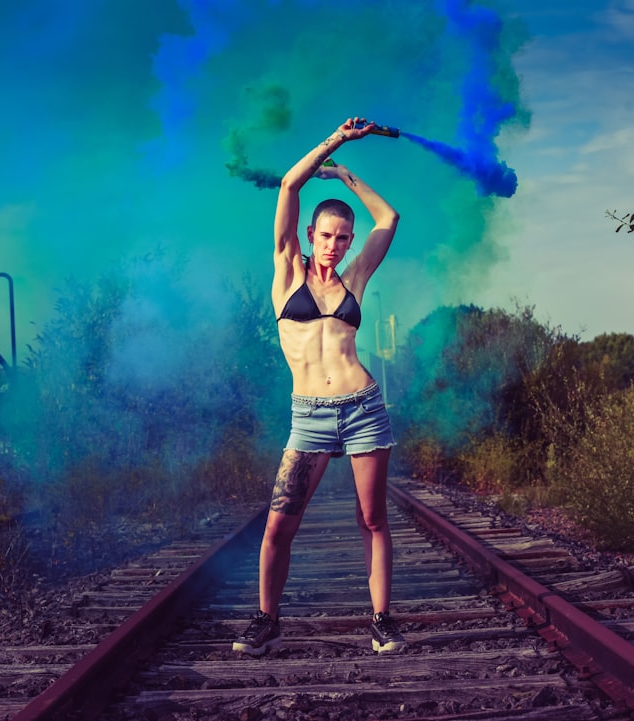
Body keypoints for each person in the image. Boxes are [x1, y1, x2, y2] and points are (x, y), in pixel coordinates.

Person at [232, 116, 405, 656]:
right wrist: (333, 144)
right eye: (327, 235)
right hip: (308, 414)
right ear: (310, 234)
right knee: (280, 525)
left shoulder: (354, 278)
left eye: (344, 237)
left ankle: (381, 620)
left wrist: (347, 175)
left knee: (372, 518)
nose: (334, 244)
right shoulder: (286, 274)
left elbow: (389, 216)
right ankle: (266, 620)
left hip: (362, 409)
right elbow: (289, 185)